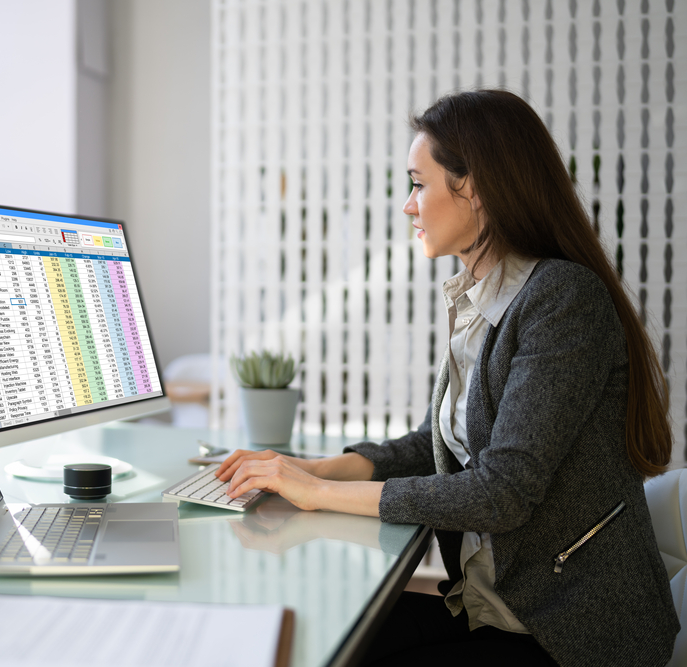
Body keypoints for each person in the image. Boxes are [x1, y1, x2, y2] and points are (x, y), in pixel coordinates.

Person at [215, 89, 679, 667]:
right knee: (312, 629)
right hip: (497, 608)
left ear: (475, 188)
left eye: (417, 183)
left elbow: (499, 492)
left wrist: (319, 495)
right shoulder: (482, 296)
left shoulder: (561, 300)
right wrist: (317, 468)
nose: (408, 205)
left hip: (570, 635)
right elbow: (435, 445)